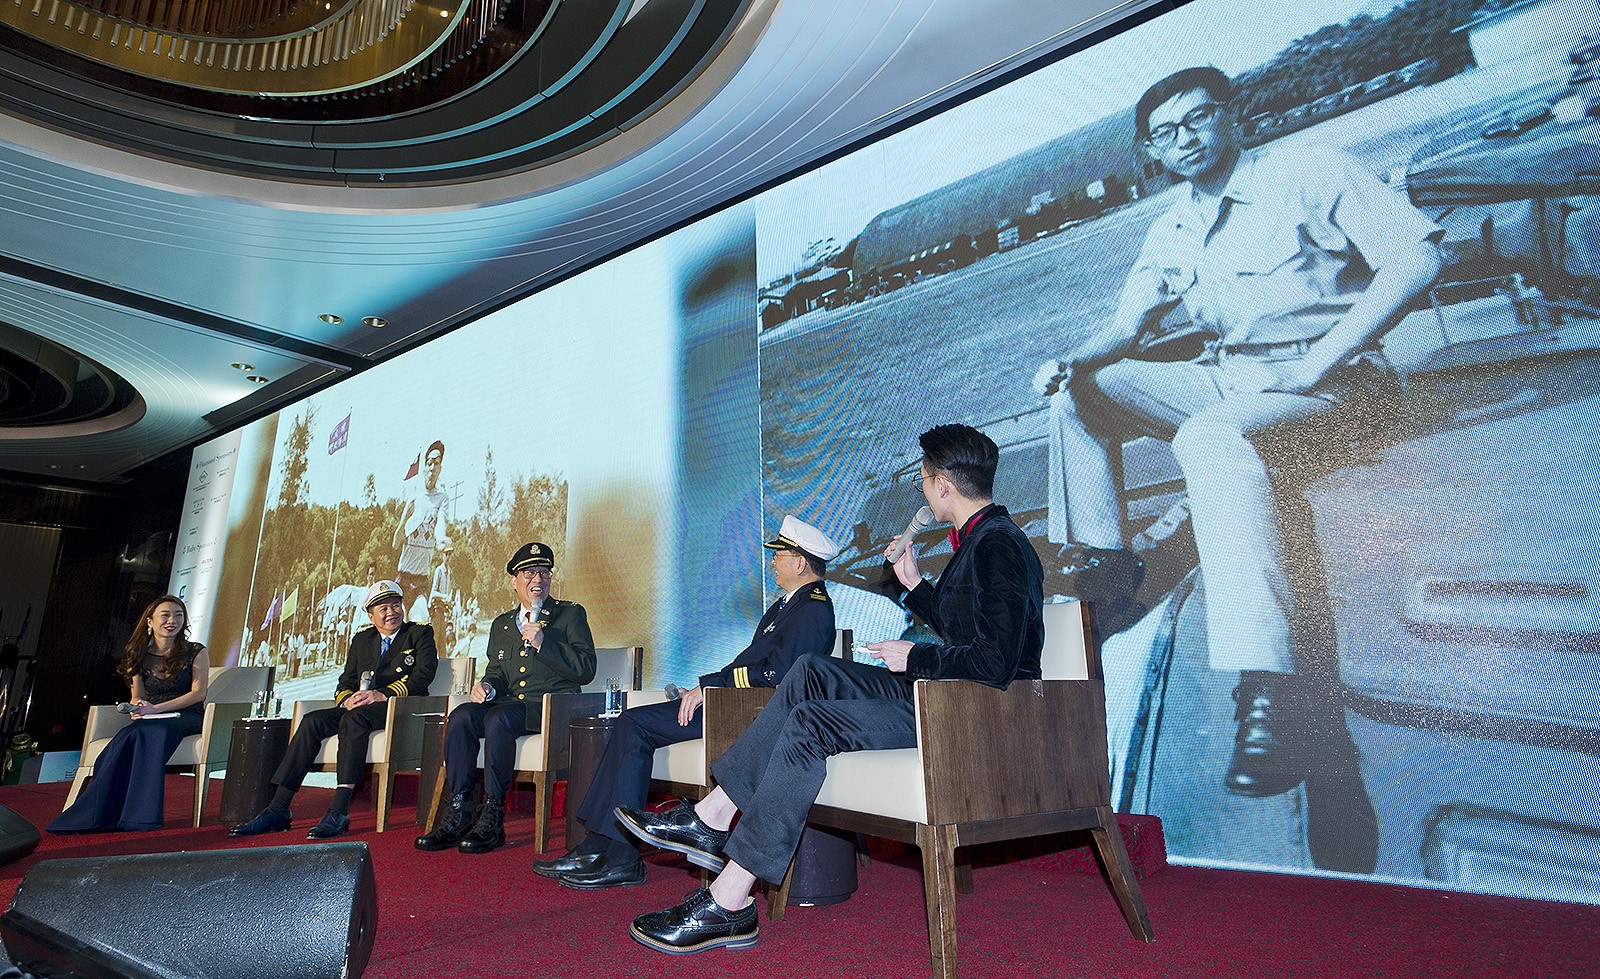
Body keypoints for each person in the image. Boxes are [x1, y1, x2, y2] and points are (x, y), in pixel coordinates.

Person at [1032, 66, 1442, 810]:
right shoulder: (1173, 226)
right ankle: (1109, 572)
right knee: (1082, 393)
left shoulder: (1310, 173)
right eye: (1166, 133)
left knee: (1208, 438)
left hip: (1341, 384)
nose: (1184, 139)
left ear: (1231, 115)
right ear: (1152, 151)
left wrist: (1318, 362)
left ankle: (1270, 692)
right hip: (1236, 379)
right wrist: (1072, 360)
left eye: (1197, 119)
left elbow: (1418, 258)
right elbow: (1126, 328)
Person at [622, 424, 1043, 954]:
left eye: (922, 479)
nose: (920, 488)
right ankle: (714, 814)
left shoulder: (999, 545)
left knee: (811, 722)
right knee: (810, 671)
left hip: (970, 709)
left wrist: (916, 655)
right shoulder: (981, 540)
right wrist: (914, 585)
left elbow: (996, 662)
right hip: (944, 691)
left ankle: (730, 900)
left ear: (942, 486)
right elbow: (968, 631)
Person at [528, 514, 840, 889]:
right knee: (631, 723)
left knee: (634, 724)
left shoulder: (813, 609)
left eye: (779, 554)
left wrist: (710, 687)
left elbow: (778, 674)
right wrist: (702, 686)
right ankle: (598, 846)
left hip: (748, 713)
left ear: (800, 562)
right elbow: (751, 664)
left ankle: (619, 855)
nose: (773, 560)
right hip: (732, 703)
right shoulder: (786, 606)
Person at [414, 542, 596, 854]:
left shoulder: (569, 615)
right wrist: (487, 686)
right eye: (529, 573)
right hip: (511, 704)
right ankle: (459, 812)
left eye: (544, 572)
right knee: (461, 716)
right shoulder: (501, 624)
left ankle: (493, 817)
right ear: (514, 581)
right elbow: (497, 672)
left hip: (549, 708)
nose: (538, 579)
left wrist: (544, 643)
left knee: (499, 718)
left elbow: (586, 669)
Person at [231, 580, 437, 839]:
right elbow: (346, 681)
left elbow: (423, 676)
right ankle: (278, 808)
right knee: (312, 721)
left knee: (355, 719)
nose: (391, 612)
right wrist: (346, 699)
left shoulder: (418, 633)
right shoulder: (362, 640)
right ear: (371, 616)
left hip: (399, 708)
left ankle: (339, 810)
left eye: (395, 605)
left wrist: (381, 694)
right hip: (361, 707)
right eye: (383, 608)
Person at [49, 596, 210, 833]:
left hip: (186, 715)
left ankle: (140, 818)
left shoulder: (196, 651)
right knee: (127, 736)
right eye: (165, 615)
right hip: (152, 717)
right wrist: (138, 707)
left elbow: (198, 694)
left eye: (178, 615)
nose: (172, 621)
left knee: (152, 731)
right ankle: (100, 815)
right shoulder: (138, 655)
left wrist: (156, 709)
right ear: (150, 621)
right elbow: (137, 695)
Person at [393, 439, 450, 643]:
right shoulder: (414, 497)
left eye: (437, 463)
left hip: (420, 582)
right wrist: (403, 520)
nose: (432, 467)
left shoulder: (442, 498)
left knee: (420, 621)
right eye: (429, 463)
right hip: (403, 578)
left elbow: (441, 526)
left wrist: (441, 539)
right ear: (424, 466)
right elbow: (395, 543)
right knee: (397, 628)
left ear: (440, 468)